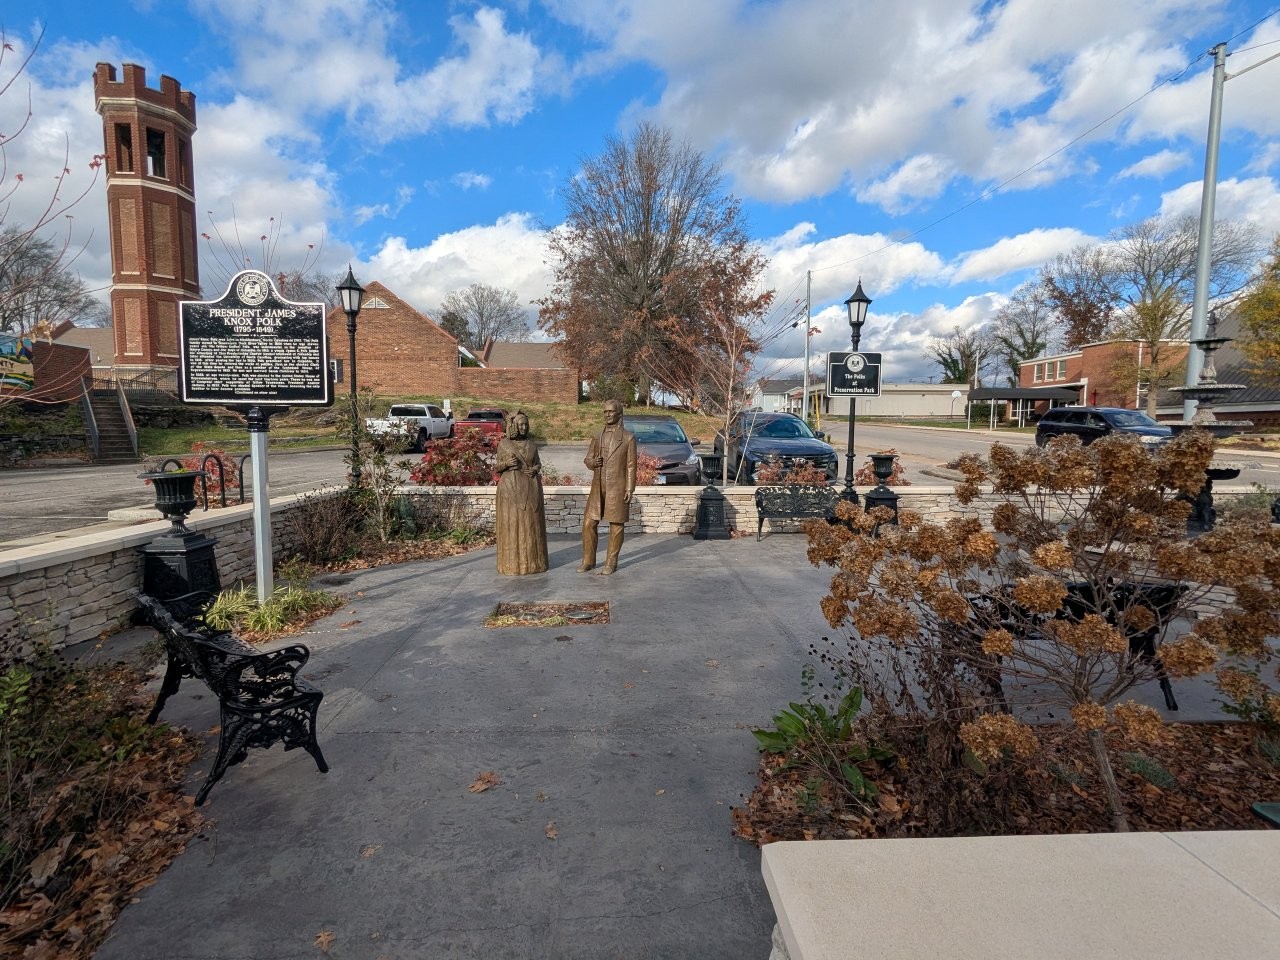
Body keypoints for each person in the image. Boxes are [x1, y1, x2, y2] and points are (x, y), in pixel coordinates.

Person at [580, 399, 636, 575]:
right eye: (605, 412)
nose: (607, 414)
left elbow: (631, 465)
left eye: (611, 411)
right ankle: (588, 560)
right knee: (589, 523)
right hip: (598, 487)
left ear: (619, 413)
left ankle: (611, 562)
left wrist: (629, 488)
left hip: (617, 486)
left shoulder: (628, 437)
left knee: (616, 525)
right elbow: (588, 459)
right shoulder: (597, 435)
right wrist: (592, 462)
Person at [493, 410, 548, 575]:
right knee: (512, 526)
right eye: (521, 424)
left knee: (532, 527)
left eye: (526, 424)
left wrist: (535, 470)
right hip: (510, 491)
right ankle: (511, 565)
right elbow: (496, 468)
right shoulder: (504, 444)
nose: (524, 427)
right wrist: (506, 464)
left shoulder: (531, 444)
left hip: (531, 489)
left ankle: (535, 564)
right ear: (514, 426)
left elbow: (538, 464)